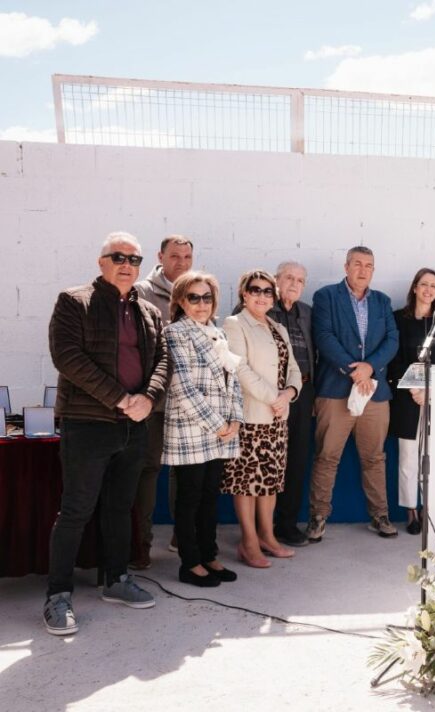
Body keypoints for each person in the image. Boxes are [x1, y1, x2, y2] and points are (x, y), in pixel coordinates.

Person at [44, 232, 168, 636]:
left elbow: (162, 361)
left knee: (120, 507)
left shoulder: (149, 311)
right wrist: (120, 398)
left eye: (134, 259)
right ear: (102, 262)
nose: (127, 264)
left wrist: (148, 399)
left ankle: (115, 579)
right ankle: (58, 596)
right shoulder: (74, 301)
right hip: (88, 424)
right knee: (76, 510)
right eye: (118, 257)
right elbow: (67, 357)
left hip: (134, 426)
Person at [307, 246, 399, 541]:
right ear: (346, 267)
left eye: (368, 265)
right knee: (327, 456)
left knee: (374, 458)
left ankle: (380, 515)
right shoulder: (326, 297)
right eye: (357, 264)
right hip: (335, 390)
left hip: (374, 393)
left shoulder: (382, 301)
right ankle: (318, 516)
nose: (363, 270)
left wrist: (369, 367)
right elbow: (324, 337)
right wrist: (353, 370)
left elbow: (392, 340)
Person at [162, 271, 242, 587]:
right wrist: (218, 424)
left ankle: (209, 555)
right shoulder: (175, 333)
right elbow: (182, 387)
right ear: (181, 301)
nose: (201, 303)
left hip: (221, 430)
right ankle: (190, 562)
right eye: (193, 297)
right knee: (190, 497)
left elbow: (233, 380)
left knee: (210, 496)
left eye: (206, 297)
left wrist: (235, 419)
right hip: (192, 429)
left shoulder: (218, 333)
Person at [222, 270, 303, 567]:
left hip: (277, 417)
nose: (262, 296)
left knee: (270, 480)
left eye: (268, 291)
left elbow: (294, 369)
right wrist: (274, 398)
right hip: (251, 416)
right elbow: (240, 369)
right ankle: (249, 542)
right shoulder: (234, 324)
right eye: (255, 290)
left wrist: (289, 393)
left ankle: (267, 536)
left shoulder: (278, 327)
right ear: (244, 294)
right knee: (246, 482)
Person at [131, 234, 195, 568]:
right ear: (160, 257)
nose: (181, 262)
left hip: (187, 401)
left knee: (184, 471)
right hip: (154, 399)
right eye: (174, 256)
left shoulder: (196, 291)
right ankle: (140, 544)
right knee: (149, 469)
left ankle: (182, 537)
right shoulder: (142, 292)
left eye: (187, 257)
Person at [387, 268, 435, 535]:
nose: (429, 290)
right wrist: (414, 389)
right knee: (408, 456)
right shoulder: (398, 318)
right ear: (415, 288)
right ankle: (411, 511)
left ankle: (430, 507)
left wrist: (431, 390)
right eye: (424, 284)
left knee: (433, 456)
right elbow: (394, 359)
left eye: (434, 286)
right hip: (407, 398)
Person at [269, 261, 316, 547]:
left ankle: (287, 524)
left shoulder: (307, 312)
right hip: (270, 395)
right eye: (289, 278)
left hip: (303, 392)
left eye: (300, 280)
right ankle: (264, 527)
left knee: (297, 459)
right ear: (276, 280)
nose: (294, 284)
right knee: (269, 459)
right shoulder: (261, 305)